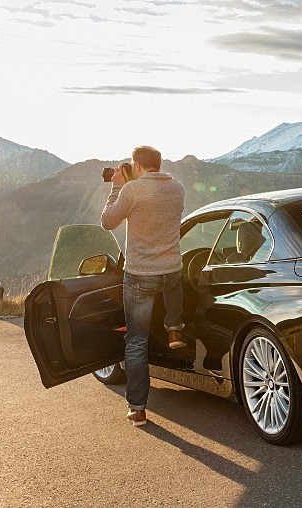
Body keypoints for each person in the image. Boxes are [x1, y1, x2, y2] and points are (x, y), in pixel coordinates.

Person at [101, 145, 187, 427]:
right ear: (159, 164)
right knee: (174, 286)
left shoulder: (131, 191)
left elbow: (108, 222)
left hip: (140, 275)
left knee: (136, 341)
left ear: (136, 165)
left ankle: (137, 409)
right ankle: (174, 327)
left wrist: (116, 187)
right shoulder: (178, 188)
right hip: (172, 271)